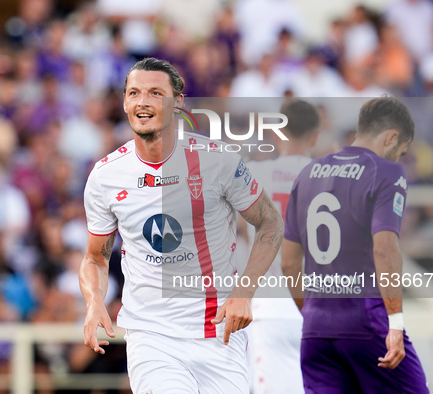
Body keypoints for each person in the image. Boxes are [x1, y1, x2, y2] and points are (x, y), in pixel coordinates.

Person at [80, 57, 283, 393]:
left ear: (178, 103)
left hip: (219, 331)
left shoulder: (219, 161)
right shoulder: (105, 176)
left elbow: (271, 224)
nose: (142, 102)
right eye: (134, 93)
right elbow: (94, 258)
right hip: (152, 335)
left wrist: (244, 292)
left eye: (155, 93)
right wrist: (93, 303)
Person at [282, 97, 429, 393]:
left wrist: (312, 313)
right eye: (400, 152)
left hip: (316, 330)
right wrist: (396, 323)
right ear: (392, 137)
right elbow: (385, 248)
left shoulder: (308, 173)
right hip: (367, 322)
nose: (398, 159)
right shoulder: (387, 172)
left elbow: (288, 262)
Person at [247, 99, 320, 394]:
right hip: (319, 306)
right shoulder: (331, 178)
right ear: (315, 136)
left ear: (278, 134)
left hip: (271, 304)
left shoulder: (253, 174)